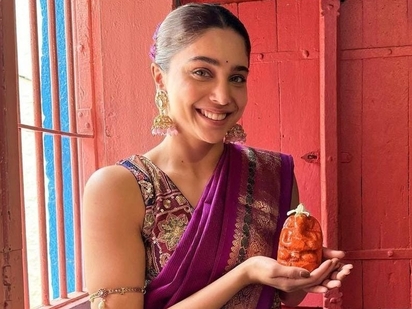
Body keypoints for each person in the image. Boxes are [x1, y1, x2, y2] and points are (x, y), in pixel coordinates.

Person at [82, 3, 353, 309]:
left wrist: (305, 272)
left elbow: (287, 297)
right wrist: (246, 273)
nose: (223, 96)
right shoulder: (120, 189)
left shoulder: (272, 173)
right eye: (202, 72)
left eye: (237, 77)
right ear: (159, 76)